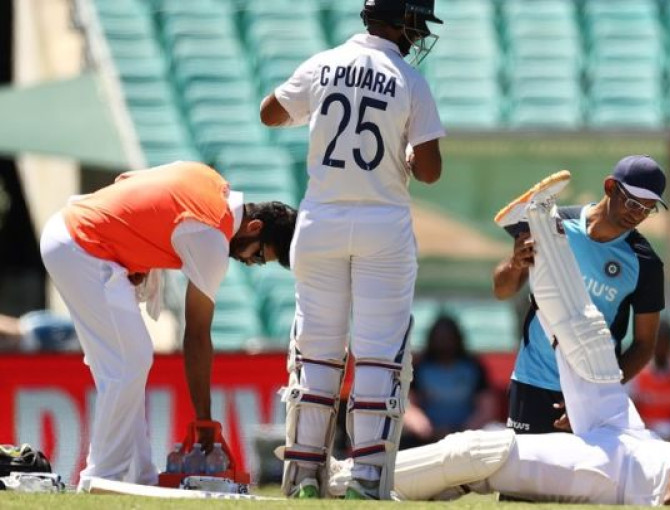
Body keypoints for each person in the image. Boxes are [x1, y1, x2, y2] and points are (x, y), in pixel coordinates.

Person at [328, 178, 670, 506]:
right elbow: (501, 287)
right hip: (627, 431)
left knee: (481, 453)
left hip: (614, 469)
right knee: (587, 336)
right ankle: (539, 222)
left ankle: (351, 479)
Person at [258, 0, 445, 500]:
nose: (417, 35)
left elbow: (270, 113)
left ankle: (301, 478)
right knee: (379, 355)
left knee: (316, 352)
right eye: (416, 24)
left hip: (320, 219)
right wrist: (400, 150)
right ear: (401, 22)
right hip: (382, 224)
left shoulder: (323, 63)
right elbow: (429, 170)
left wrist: (320, 114)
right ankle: (364, 480)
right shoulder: (408, 79)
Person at [39, 161, 297, 490]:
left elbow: (127, 182)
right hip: (82, 245)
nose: (250, 262)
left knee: (123, 368)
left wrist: (135, 253)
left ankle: (139, 478)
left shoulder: (210, 180)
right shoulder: (211, 239)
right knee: (129, 362)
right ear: (255, 226)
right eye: (259, 256)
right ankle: (100, 478)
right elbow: (197, 335)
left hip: (73, 234)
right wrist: (204, 418)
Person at [492, 156, 667, 436]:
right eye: (633, 203)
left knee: (580, 479)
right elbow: (502, 290)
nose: (637, 214)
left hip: (588, 392)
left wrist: (595, 397)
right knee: (521, 479)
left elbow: (645, 345)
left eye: (648, 209)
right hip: (531, 379)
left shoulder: (646, 262)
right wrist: (515, 264)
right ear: (610, 187)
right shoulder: (555, 223)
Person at [403, 314, 497, 447]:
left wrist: (466, 430)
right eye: (440, 337)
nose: (444, 341)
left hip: (468, 437)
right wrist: (423, 426)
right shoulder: (419, 367)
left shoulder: (473, 367)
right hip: (427, 437)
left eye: (448, 337)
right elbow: (408, 405)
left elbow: (486, 407)